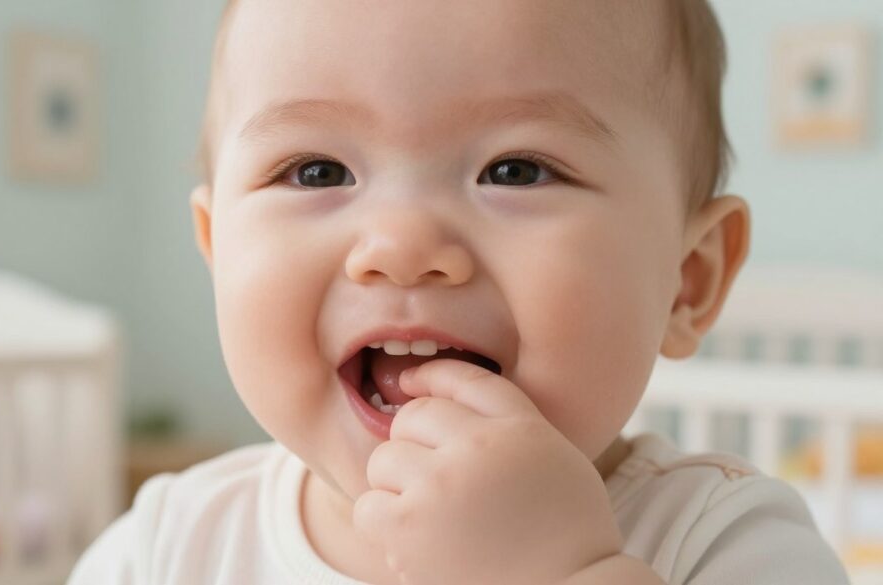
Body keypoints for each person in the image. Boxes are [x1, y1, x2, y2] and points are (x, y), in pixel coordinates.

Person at [69, 0, 851, 583]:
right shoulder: (170, 547)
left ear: (689, 278)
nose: (401, 247)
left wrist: (562, 571)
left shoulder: (724, 544)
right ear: (217, 252)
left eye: (515, 169)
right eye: (316, 170)